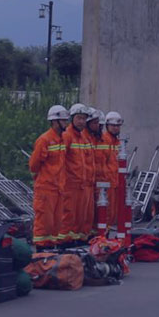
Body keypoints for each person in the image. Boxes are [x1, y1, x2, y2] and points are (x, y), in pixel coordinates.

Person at [28, 105, 70, 249]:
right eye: (63, 121)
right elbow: (34, 165)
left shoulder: (62, 139)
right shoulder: (44, 140)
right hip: (46, 189)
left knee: (56, 223)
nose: (66, 123)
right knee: (43, 223)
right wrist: (42, 180)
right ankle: (41, 251)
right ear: (54, 122)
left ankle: (51, 250)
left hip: (58, 189)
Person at [60, 103, 93, 244]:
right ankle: (65, 242)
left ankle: (78, 240)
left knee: (82, 216)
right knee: (68, 216)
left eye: (84, 119)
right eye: (79, 118)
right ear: (72, 119)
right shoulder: (66, 136)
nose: (82, 122)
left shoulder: (84, 139)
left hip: (83, 185)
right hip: (70, 185)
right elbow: (60, 161)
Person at [87, 108, 111, 231]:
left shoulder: (105, 140)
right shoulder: (87, 140)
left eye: (100, 125)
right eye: (96, 124)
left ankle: (102, 234)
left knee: (103, 212)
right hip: (90, 182)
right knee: (89, 213)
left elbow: (109, 161)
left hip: (102, 182)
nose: (99, 128)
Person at [102, 110, 126, 234]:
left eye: (118, 126)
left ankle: (107, 236)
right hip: (108, 182)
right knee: (107, 212)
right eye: (113, 126)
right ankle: (103, 236)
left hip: (116, 182)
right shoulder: (104, 140)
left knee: (114, 213)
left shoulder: (117, 142)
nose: (116, 128)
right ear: (107, 125)